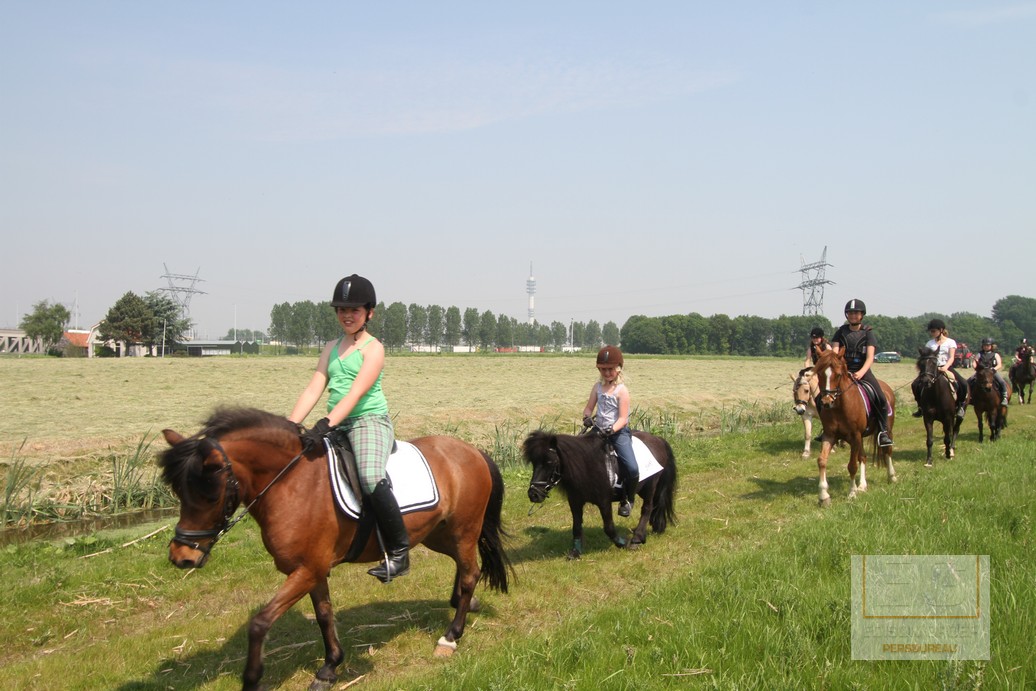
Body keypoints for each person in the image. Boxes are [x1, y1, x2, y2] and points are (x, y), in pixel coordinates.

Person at [288, 274, 407, 583]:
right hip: (337, 423)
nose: (347, 315)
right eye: (342, 309)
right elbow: (314, 388)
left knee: (369, 476)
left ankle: (399, 551)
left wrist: (325, 423)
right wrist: (290, 425)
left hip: (368, 421)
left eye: (355, 310)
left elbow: (355, 393)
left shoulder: (373, 349)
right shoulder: (330, 347)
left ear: (369, 313)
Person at [582, 345, 639, 517]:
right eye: (603, 369)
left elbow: (623, 419)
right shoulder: (597, 387)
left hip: (618, 433)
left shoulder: (622, 391)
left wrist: (611, 429)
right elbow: (588, 408)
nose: (607, 373)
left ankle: (628, 499)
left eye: (610, 369)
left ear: (618, 368)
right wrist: (587, 417)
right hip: (598, 431)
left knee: (632, 467)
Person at [830, 299, 894, 447]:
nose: (853, 315)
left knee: (880, 398)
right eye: (850, 313)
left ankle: (883, 431)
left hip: (863, 371)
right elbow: (835, 355)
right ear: (847, 315)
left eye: (856, 313)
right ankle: (827, 428)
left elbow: (870, 357)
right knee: (824, 396)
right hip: (843, 373)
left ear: (861, 315)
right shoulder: (840, 332)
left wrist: (860, 373)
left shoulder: (868, 333)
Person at [911, 318, 969, 420]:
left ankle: (960, 406)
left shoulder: (950, 342)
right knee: (915, 384)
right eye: (931, 331)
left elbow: (951, 357)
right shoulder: (929, 343)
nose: (932, 333)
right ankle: (920, 407)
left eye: (933, 331)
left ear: (941, 330)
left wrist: (945, 367)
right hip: (931, 369)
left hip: (946, 367)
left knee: (963, 384)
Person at [971, 337, 1009, 406]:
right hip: (981, 372)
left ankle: (1004, 397)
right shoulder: (979, 354)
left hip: (992, 372)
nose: (986, 347)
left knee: (1002, 382)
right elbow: (974, 362)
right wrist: (976, 368)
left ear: (991, 346)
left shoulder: (995, 355)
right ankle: (969, 397)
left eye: (988, 345)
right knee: (970, 381)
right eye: (984, 345)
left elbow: (999, 364)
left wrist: (994, 369)